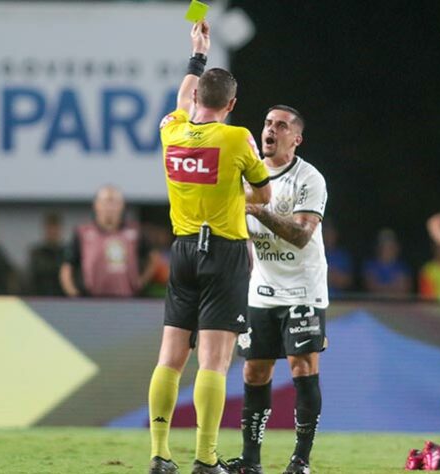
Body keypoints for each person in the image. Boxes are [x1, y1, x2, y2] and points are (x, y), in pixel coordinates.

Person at [147, 20, 271, 474]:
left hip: (181, 251)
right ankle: (205, 457)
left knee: (169, 358)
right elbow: (263, 196)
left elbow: (180, 100)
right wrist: (239, 185)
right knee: (214, 363)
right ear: (232, 104)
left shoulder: (171, 131)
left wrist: (197, 55)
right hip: (225, 253)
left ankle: (160, 454)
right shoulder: (237, 138)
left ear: (198, 97)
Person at [227, 105, 327, 474]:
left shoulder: (308, 178)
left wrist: (258, 210)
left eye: (281, 126)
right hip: (261, 289)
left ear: (295, 138)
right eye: (268, 123)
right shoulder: (247, 174)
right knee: (254, 371)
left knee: (303, 368)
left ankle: (300, 460)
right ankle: (250, 462)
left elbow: (301, 235)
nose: (271, 129)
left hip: (304, 288)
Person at [59, 185, 158, 298]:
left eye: (114, 203)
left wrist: (141, 281)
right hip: (92, 300)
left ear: (122, 206)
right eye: (105, 202)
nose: (109, 208)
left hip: (127, 300)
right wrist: (73, 294)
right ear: (96, 205)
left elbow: (153, 257)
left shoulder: (134, 233)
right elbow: (67, 266)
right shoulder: (83, 233)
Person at [363, 228, 412, 296]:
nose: (388, 249)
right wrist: (393, 288)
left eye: (391, 246)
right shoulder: (370, 265)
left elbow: (404, 289)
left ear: (397, 247)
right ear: (378, 248)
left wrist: (382, 288)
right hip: (375, 304)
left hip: (398, 304)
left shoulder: (402, 267)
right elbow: (372, 287)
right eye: (384, 246)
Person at [27, 212, 65, 296]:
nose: (52, 232)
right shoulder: (36, 253)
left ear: (60, 230)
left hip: (63, 300)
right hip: (40, 298)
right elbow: (32, 279)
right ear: (45, 229)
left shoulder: (67, 253)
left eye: (55, 229)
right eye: (50, 229)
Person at [322, 219, 354, 296]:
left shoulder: (343, 256)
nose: (328, 236)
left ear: (335, 234)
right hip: (318, 300)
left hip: (339, 301)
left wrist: (328, 276)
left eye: (330, 233)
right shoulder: (315, 254)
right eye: (325, 233)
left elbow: (347, 281)